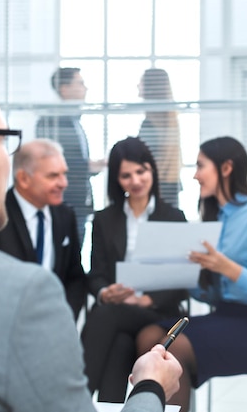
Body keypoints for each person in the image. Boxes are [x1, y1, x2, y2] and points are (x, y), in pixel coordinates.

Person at [0, 48, 182, 412]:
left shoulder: (72, 218)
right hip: (98, 324)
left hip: (150, 311)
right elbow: (93, 274)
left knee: (119, 346)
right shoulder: (28, 291)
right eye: (3, 138)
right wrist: (150, 387)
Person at [136, 136, 247, 411]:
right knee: (149, 337)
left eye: (201, 166)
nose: (196, 175)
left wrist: (228, 268)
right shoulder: (216, 216)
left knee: (169, 349)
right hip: (225, 315)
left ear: (226, 168)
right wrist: (182, 274)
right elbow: (212, 293)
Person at [82, 136, 188, 402]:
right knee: (120, 346)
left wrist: (145, 299)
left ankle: (76, 398)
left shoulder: (175, 218)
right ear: (117, 180)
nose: (136, 181)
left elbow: (181, 279)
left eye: (141, 171)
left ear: (151, 170)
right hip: (118, 309)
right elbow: (96, 274)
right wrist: (106, 292)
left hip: (158, 311)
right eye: (126, 175)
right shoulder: (104, 219)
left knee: (105, 316)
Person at [0, 138, 87, 319]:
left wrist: (65, 317)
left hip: (54, 324)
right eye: (53, 176)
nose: (64, 183)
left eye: (64, 174)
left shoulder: (65, 215)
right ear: (23, 178)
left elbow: (75, 276)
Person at [36, 67, 105, 242]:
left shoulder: (74, 121)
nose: (85, 88)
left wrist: (92, 167)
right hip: (63, 200)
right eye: (80, 83)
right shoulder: (50, 122)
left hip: (79, 202)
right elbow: (50, 164)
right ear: (64, 89)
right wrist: (87, 166)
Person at [137, 68, 182, 207]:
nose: (138, 85)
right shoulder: (169, 121)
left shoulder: (150, 125)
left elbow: (142, 161)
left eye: (141, 82)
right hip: (170, 185)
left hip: (156, 188)